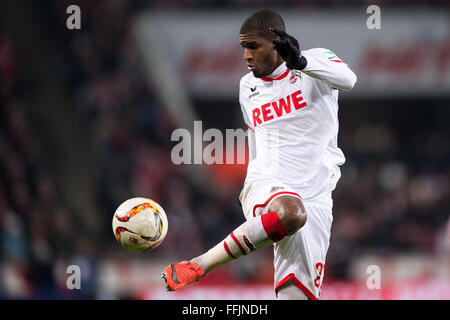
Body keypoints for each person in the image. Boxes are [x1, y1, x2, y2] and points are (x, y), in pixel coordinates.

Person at [162, 9, 357, 300]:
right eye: (243, 48)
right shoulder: (247, 86)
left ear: (277, 42)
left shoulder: (318, 63)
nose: (246, 56)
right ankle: (200, 264)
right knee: (290, 213)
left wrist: (300, 62)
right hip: (268, 182)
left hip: (317, 196)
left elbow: (349, 79)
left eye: (253, 47)